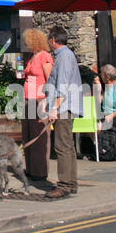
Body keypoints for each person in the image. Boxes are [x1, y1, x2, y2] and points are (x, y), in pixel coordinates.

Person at [43, 25, 82, 199]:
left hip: (64, 108)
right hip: (65, 106)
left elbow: (63, 86)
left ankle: (64, 185)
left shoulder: (64, 56)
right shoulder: (64, 55)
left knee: (62, 147)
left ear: (53, 40)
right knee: (68, 146)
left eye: (49, 41)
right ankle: (71, 183)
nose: (49, 44)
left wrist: (54, 108)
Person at [20, 29, 53, 181]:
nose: (26, 43)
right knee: (28, 133)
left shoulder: (44, 56)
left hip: (40, 99)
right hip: (29, 99)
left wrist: (48, 100)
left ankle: (40, 171)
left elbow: (50, 79)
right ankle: (31, 168)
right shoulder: (32, 57)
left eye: (28, 41)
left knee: (39, 136)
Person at [99, 64, 116, 132]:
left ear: (107, 77)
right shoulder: (107, 87)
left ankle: (100, 142)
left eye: (102, 75)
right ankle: (97, 142)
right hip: (106, 115)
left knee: (99, 125)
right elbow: (98, 102)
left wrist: (110, 116)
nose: (101, 76)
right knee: (93, 123)